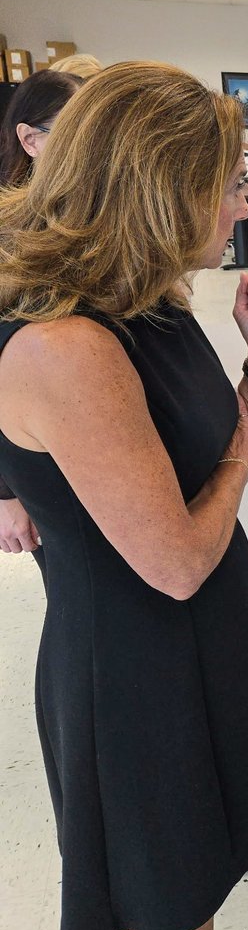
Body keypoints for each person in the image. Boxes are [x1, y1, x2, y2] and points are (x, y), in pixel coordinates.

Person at [0, 61, 248, 930]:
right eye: (229, 187)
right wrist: (245, 447)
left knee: (194, 881)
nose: (239, 209)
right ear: (159, 191)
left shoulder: (146, 298)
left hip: (199, 632)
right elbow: (174, 559)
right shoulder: (65, 347)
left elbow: (214, 452)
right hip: (133, 675)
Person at [0, 69, 84, 562]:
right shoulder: (10, 238)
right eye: (77, 134)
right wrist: (6, 492)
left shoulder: (77, 220)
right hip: (34, 462)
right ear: (30, 140)